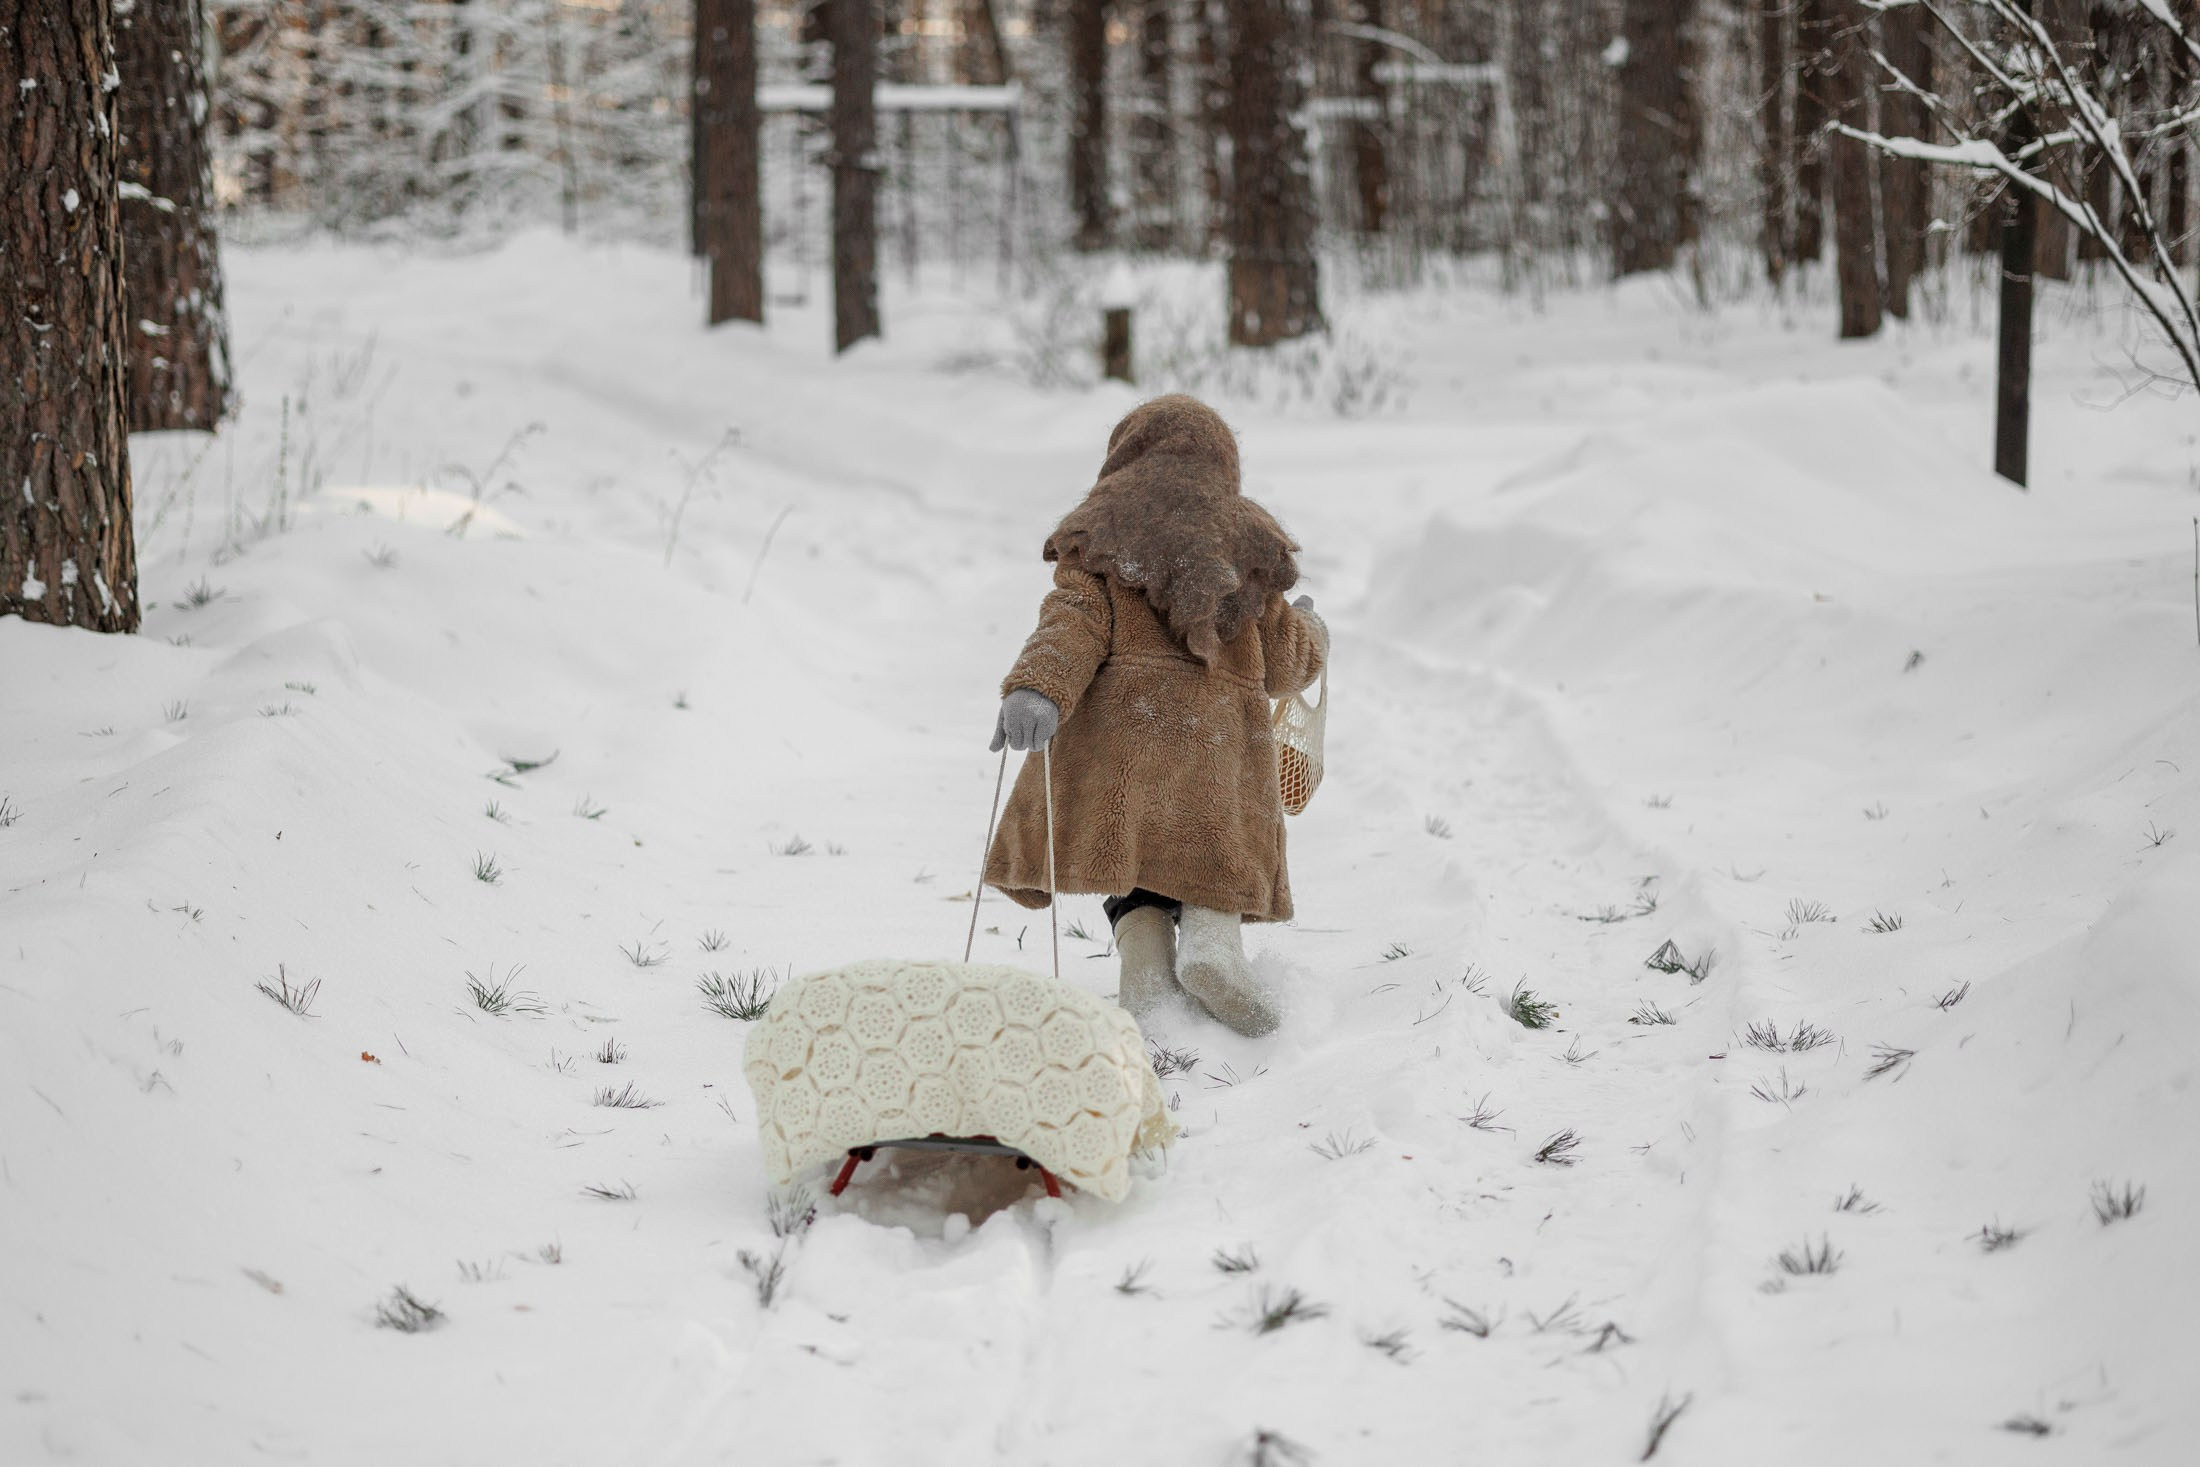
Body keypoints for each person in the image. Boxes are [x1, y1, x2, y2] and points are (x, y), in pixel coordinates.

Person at [983, 395, 1326, 1036]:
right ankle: (1213, 949)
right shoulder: (1247, 542)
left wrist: (1037, 688)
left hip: (1121, 740)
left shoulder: (1099, 538)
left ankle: (1143, 967)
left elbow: (1072, 626)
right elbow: (1284, 665)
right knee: (1212, 848)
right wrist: (1312, 632)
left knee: (1134, 849)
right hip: (1218, 742)